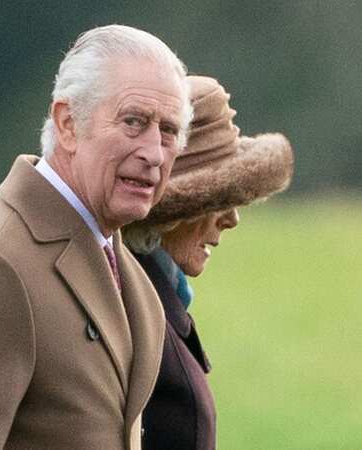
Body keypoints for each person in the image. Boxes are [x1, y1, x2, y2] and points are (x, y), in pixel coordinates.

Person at [0, 25, 193, 449]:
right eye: (133, 122)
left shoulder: (124, 268)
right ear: (67, 123)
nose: (154, 153)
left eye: (168, 132)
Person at [122, 75, 294, 450]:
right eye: (215, 201)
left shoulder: (142, 295)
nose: (231, 219)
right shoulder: (140, 320)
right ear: (169, 215)